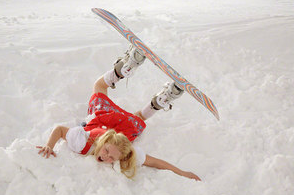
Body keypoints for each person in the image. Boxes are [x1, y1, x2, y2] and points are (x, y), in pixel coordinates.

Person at [37, 45, 201, 181]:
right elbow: (58, 130)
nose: (106, 158)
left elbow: (59, 130)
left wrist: (182, 173)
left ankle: (130, 74)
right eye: (109, 154)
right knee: (108, 93)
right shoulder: (119, 149)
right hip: (109, 117)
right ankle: (141, 82)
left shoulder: (81, 142)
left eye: (109, 156)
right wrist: (48, 146)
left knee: (104, 91)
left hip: (108, 117)